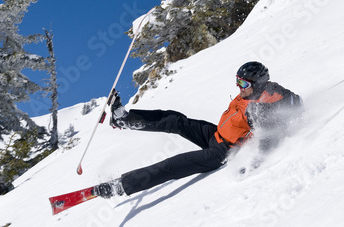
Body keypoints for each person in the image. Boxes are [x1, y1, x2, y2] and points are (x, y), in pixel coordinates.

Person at [92, 61, 303, 198]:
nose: (239, 87)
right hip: (215, 135)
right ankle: (124, 120)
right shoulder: (253, 92)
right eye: (237, 81)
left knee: (171, 165)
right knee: (175, 120)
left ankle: (120, 186)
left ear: (257, 84)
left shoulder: (263, 105)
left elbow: (275, 130)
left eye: (243, 83)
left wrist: (253, 163)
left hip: (221, 152)